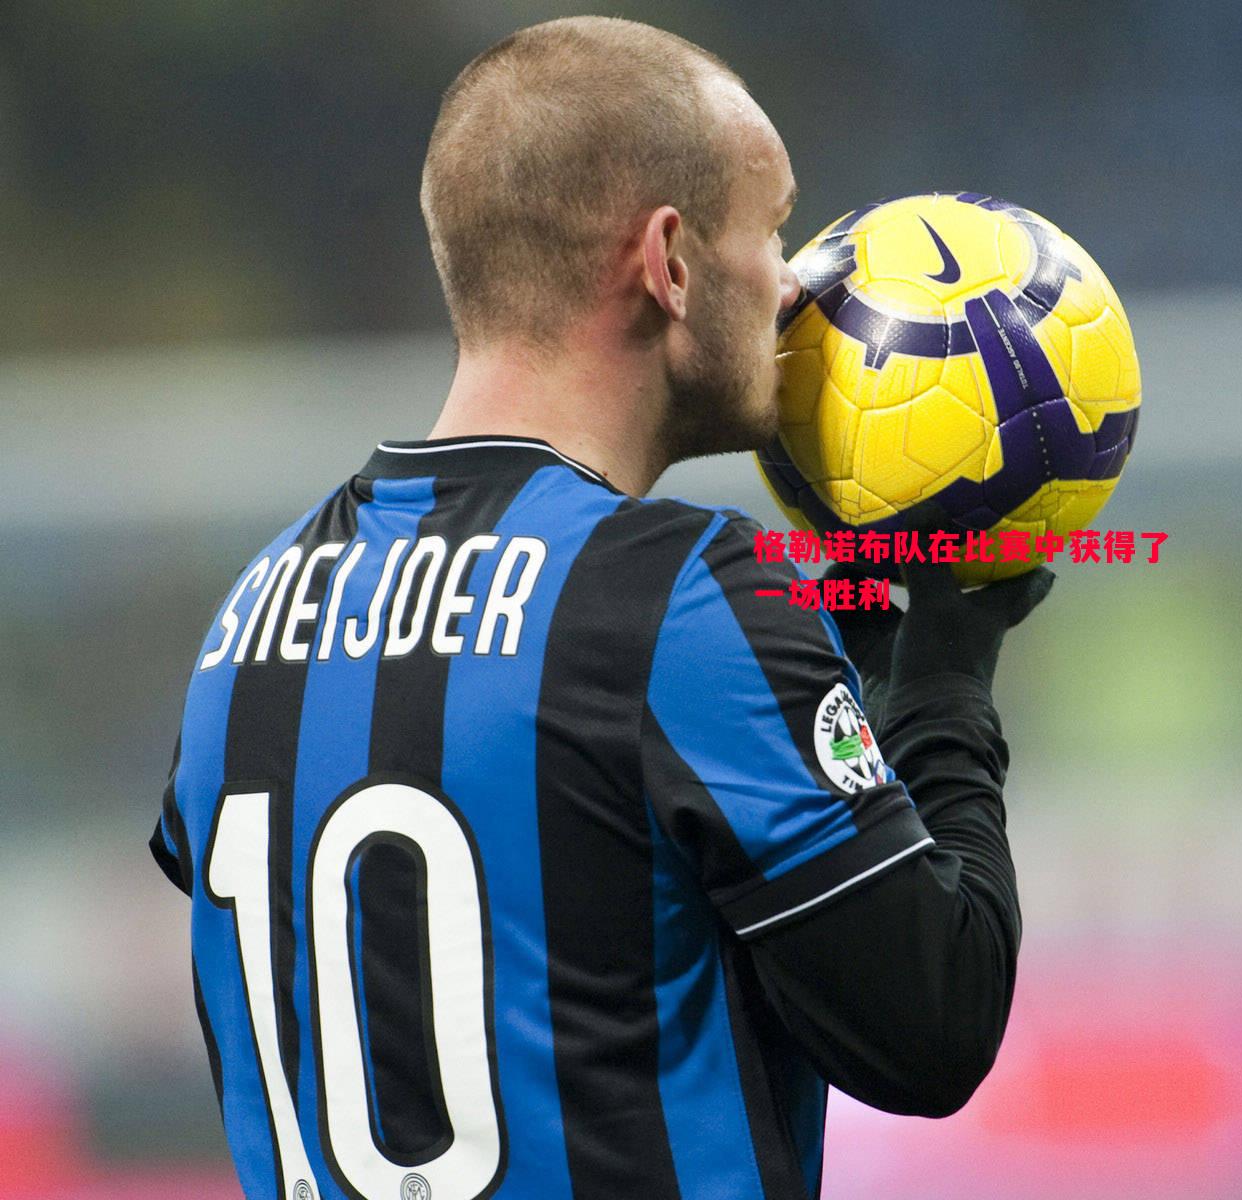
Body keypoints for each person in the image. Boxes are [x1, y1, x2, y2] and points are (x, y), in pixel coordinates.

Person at [147, 17, 1051, 1200]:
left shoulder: (249, 618)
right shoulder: (679, 597)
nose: (791, 285)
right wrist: (940, 686)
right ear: (668, 261)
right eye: (772, 229)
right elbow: (933, 1030)